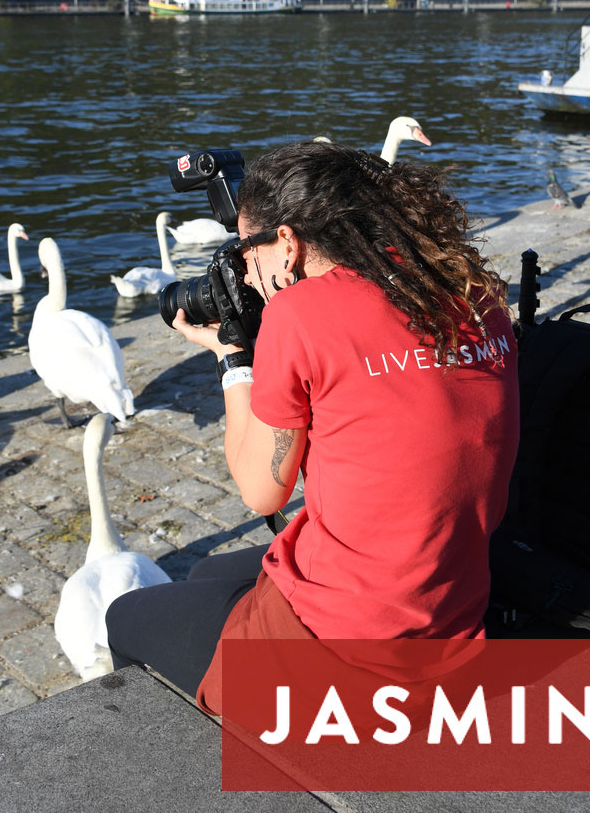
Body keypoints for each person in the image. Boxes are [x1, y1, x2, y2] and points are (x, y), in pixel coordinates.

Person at [105, 140, 519, 713]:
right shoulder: (470, 292)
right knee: (206, 569)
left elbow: (262, 490)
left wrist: (233, 361)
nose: (247, 274)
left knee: (126, 616)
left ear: (288, 242)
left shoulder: (300, 315)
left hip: (354, 647)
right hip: (449, 608)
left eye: (248, 251)